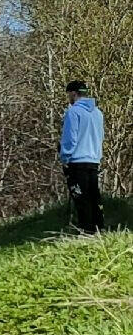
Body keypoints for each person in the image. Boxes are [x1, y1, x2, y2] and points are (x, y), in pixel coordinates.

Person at [61, 80, 106, 235]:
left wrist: (65, 157)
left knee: (81, 198)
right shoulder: (98, 113)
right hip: (93, 160)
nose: (68, 98)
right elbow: (100, 137)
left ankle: (86, 231)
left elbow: (70, 139)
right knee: (94, 196)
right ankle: (99, 228)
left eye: (69, 95)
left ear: (74, 93)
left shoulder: (73, 112)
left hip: (77, 161)